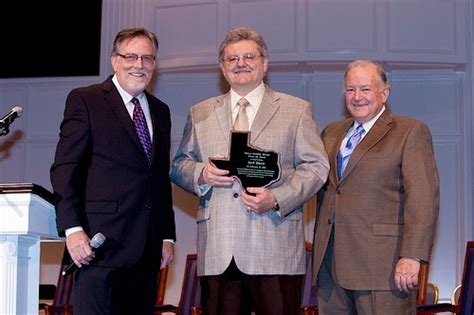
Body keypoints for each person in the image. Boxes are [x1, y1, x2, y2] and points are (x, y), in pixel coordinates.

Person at [170, 26, 329, 315]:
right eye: (232, 59)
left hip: (274, 247)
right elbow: (179, 165)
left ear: (264, 63)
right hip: (219, 249)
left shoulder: (296, 110)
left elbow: (316, 167)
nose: (240, 64)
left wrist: (277, 198)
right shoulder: (200, 112)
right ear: (222, 67)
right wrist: (201, 174)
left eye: (248, 57)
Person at [50, 27, 176, 315]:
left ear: (154, 64)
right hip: (98, 247)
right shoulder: (86, 100)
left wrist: (166, 236)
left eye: (147, 58)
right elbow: (65, 169)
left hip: (147, 251)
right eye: (131, 56)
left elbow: (158, 178)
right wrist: (73, 230)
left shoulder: (160, 111)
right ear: (114, 60)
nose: (139, 65)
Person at [312, 60, 440, 314]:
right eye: (350, 90)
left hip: (384, 268)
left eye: (365, 89)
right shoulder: (330, 132)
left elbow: (423, 198)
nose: (357, 97)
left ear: (384, 93)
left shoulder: (410, 131)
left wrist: (412, 256)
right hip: (329, 267)